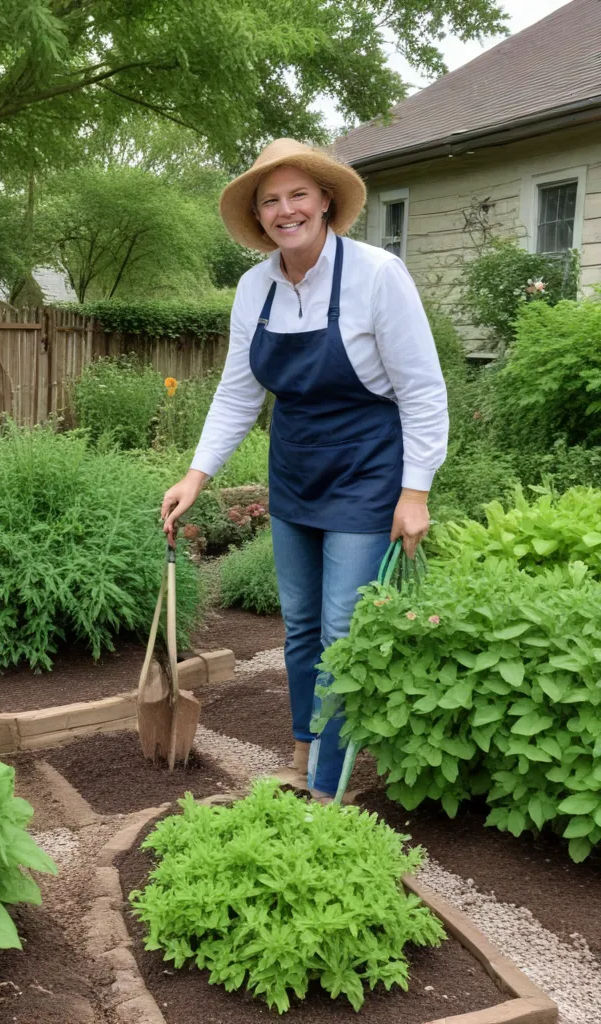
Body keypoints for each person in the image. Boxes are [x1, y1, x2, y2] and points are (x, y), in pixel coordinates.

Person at [161, 138, 448, 801]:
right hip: (294, 471)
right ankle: (301, 747)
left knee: (343, 632)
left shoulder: (377, 275)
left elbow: (423, 392)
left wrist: (415, 492)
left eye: (298, 195)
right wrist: (195, 477)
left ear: (324, 201)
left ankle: (328, 780)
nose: (285, 209)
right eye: (270, 200)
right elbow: (238, 394)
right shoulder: (254, 287)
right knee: (301, 627)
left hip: (367, 468)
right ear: (259, 217)